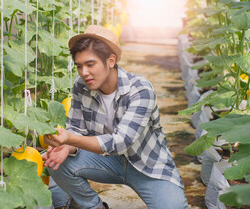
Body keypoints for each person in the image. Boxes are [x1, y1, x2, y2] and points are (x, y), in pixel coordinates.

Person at [42, 25, 188, 209]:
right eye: (79, 66)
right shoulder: (81, 86)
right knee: (58, 160)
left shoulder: (141, 90)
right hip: (106, 161)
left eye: (90, 64)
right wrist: (66, 147)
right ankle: (94, 206)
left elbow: (121, 142)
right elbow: (76, 130)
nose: (83, 72)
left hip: (147, 166)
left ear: (110, 61)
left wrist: (70, 139)